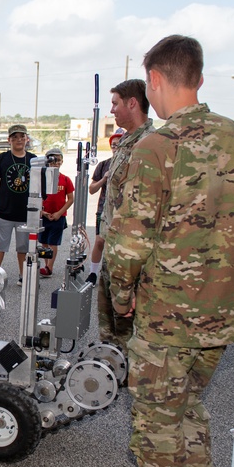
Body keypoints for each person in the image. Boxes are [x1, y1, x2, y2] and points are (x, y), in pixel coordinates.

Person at [104, 35, 234, 467]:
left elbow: (129, 241)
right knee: (189, 404)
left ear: (156, 80)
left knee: (155, 418)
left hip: (168, 313)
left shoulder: (156, 146)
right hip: (222, 309)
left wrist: (120, 298)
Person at [98, 80, 153, 350]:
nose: (112, 111)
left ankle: (125, 373)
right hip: (114, 247)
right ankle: (112, 370)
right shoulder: (127, 143)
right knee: (110, 328)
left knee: (128, 330)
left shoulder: (149, 145)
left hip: (130, 254)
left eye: (115, 103)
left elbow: (140, 213)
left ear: (132, 103)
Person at [0, 124, 36, 285]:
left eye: (22, 137)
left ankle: (24, 276)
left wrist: (41, 208)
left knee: (23, 247)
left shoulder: (34, 159)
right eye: (15, 137)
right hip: (5, 210)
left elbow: (40, 185)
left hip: (26, 213)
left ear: (27, 139)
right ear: (9, 140)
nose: (19, 140)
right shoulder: (3, 158)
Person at [86, 131, 122, 284]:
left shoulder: (130, 163)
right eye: (113, 145)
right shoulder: (103, 164)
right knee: (100, 241)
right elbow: (92, 189)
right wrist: (104, 178)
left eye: (119, 144)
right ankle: (93, 273)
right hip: (103, 209)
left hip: (121, 211)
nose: (115, 147)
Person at [39, 148, 74, 278]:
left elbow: (70, 199)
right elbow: (36, 197)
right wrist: (42, 212)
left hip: (58, 216)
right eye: (52, 160)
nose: (55, 163)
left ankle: (49, 267)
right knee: (43, 242)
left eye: (58, 160)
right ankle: (46, 263)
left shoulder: (65, 179)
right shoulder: (42, 179)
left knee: (53, 242)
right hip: (44, 215)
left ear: (62, 162)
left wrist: (60, 213)